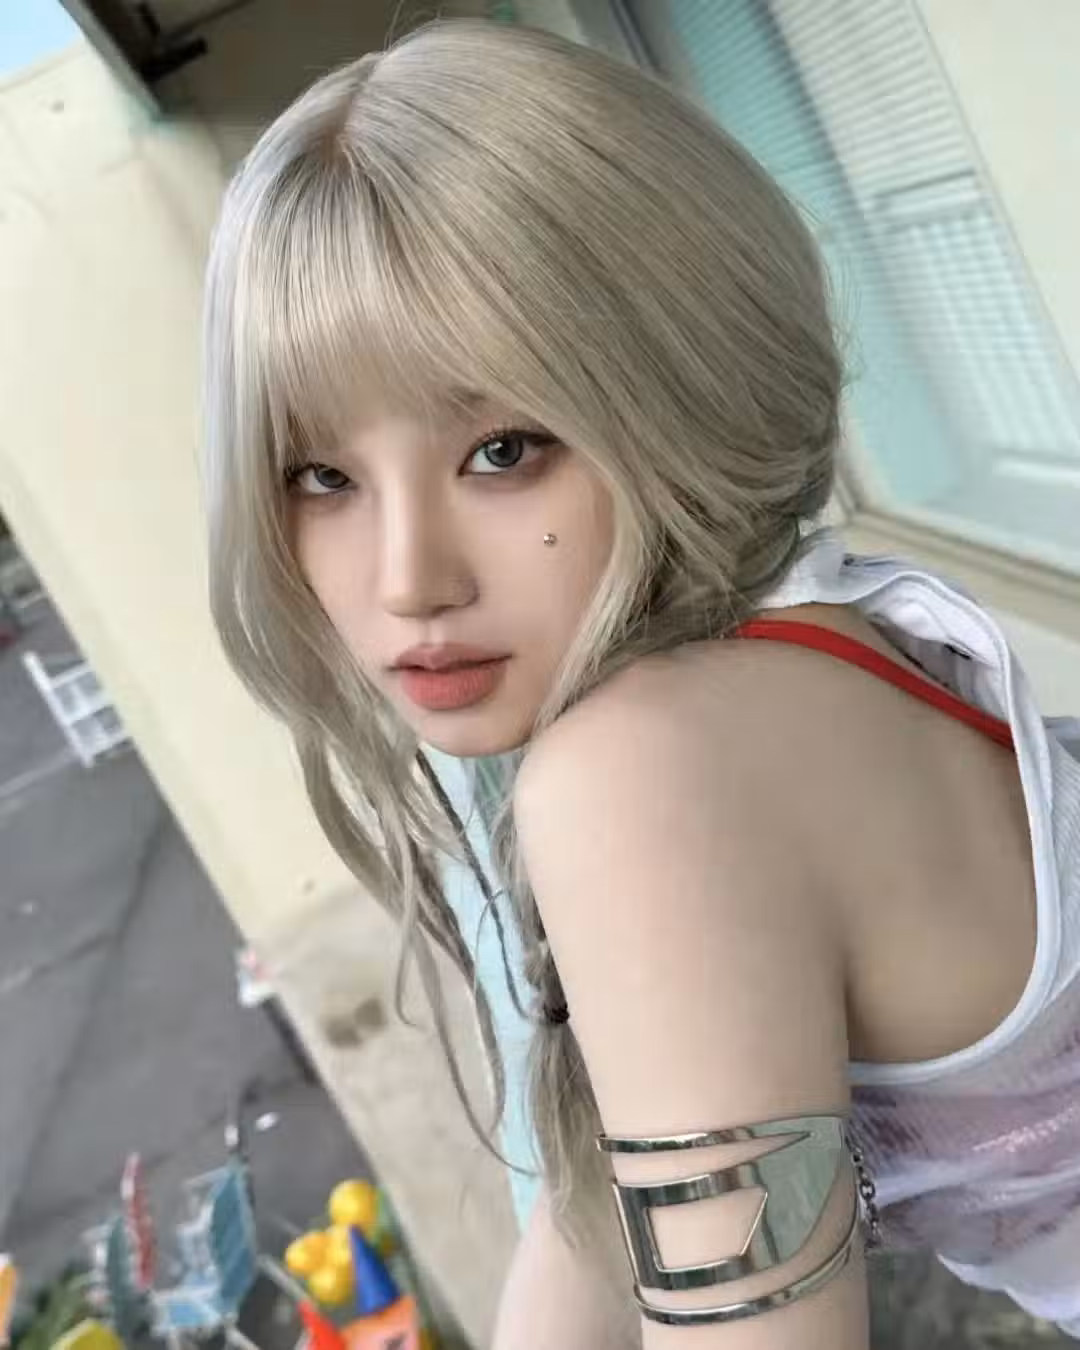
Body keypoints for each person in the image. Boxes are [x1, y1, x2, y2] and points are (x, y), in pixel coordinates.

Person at [200, 19, 1080, 1348]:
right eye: (321, 475)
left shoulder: (647, 769)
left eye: (504, 449)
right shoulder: (833, 641)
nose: (406, 577)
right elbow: (593, 1217)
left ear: (677, 385)